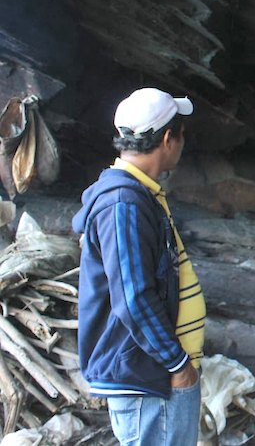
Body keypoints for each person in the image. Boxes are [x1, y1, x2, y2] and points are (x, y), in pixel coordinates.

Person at [72, 88, 206, 446]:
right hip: (150, 376)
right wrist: (177, 364)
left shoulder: (138, 194)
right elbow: (133, 298)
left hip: (153, 372)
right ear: (167, 138)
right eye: (181, 134)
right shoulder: (123, 204)